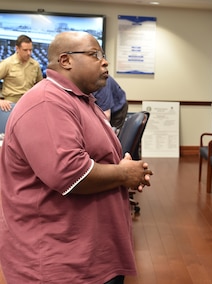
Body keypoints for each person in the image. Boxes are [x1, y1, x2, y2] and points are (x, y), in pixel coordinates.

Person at [0, 31, 153, 284]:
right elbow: (71, 173)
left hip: (89, 255)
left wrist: (120, 166)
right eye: (95, 55)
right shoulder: (47, 102)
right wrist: (124, 173)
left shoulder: (81, 100)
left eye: (103, 56)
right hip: (60, 265)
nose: (104, 62)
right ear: (65, 60)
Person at [0, 34, 43, 111]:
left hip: (29, 103)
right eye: (25, 50)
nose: (29, 53)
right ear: (17, 48)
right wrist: (0, 101)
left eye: (30, 50)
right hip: (10, 104)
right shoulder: (7, 63)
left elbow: (40, 85)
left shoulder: (35, 65)